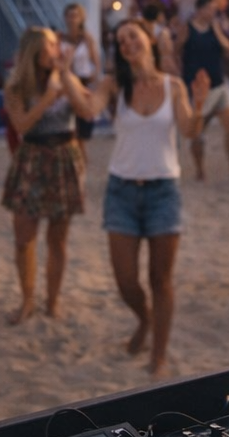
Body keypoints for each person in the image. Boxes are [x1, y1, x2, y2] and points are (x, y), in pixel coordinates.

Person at [70, 20, 209, 378]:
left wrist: (200, 102)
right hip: (122, 191)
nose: (127, 43)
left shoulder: (172, 85)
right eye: (120, 40)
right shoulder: (114, 85)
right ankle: (145, 320)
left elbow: (190, 129)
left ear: (148, 38)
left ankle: (158, 354)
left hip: (164, 190)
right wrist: (63, 74)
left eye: (133, 35)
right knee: (126, 279)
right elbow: (88, 108)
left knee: (160, 279)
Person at [0, 27, 92, 325]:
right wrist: (49, 97)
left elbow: (86, 110)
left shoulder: (67, 78)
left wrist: (66, 80)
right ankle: (27, 300)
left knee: (58, 239)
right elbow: (22, 126)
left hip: (64, 156)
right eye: (52, 45)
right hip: (32, 158)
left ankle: (53, 301)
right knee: (24, 236)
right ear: (36, 52)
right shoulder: (16, 87)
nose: (58, 49)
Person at [179, 0, 229, 181]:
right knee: (197, 133)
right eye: (211, 8)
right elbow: (177, 51)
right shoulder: (187, 28)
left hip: (219, 84)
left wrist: (220, 34)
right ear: (200, 9)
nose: (213, 12)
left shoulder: (216, 27)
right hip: (199, 88)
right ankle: (200, 170)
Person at [59, 2, 101, 145]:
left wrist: (93, 77)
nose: (72, 19)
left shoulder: (87, 39)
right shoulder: (60, 38)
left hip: (84, 80)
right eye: (69, 16)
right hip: (66, 82)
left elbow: (95, 62)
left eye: (75, 16)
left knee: (82, 129)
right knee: (69, 127)